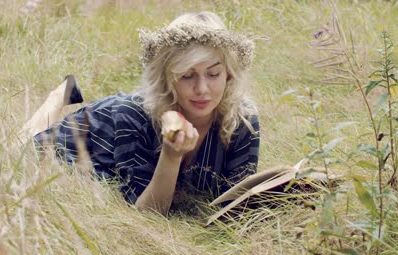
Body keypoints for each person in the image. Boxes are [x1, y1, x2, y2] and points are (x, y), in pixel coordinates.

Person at [24, 11, 260, 214]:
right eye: (186, 75)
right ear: (167, 77)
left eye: (213, 74)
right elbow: (147, 212)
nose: (202, 89)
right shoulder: (134, 115)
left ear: (229, 74)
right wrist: (171, 154)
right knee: (23, 149)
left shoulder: (242, 120)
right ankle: (57, 96)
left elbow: (238, 201)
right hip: (92, 136)